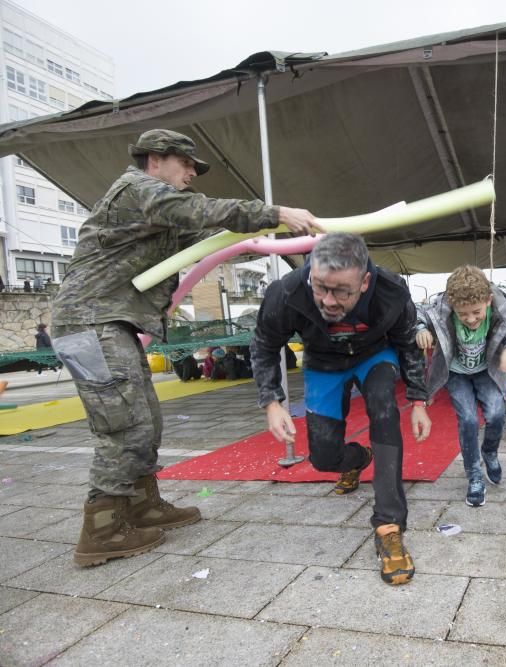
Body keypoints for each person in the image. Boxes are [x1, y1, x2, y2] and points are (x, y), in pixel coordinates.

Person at [48, 128, 325, 568]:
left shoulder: (154, 212)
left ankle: (140, 505)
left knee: (146, 419)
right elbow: (199, 212)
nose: (193, 173)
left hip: (109, 322)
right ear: (155, 159)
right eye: (187, 164)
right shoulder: (139, 189)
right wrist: (273, 212)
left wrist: (249, 236)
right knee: (123, 425)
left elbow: (201, 241)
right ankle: (100, 531)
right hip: (89, 323)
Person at [251, 232, 431, 585]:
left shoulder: (391, 290)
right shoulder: (286, 291)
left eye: (341, 291)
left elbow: (408, 343)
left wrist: (418, 400)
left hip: (373, 356)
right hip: (322, 363)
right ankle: (356, 460)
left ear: (364, 282)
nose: (328, 301)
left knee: (383, 409)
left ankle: (389, 525)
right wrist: (272, 401)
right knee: (323, 458)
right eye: (320, 287)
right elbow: (265, 343)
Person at [416, 265, 506, 507]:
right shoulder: (441, 310)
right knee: (468, 420)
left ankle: (490, 452)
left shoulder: (499, 310)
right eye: (463, 314)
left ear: (487, 300)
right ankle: (474, 475)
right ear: (452, 306)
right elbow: (418, 316)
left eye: (476, 312)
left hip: (487, 371)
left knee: (496, 414)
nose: (471, 319)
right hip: (456, 373)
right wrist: (421, 330)